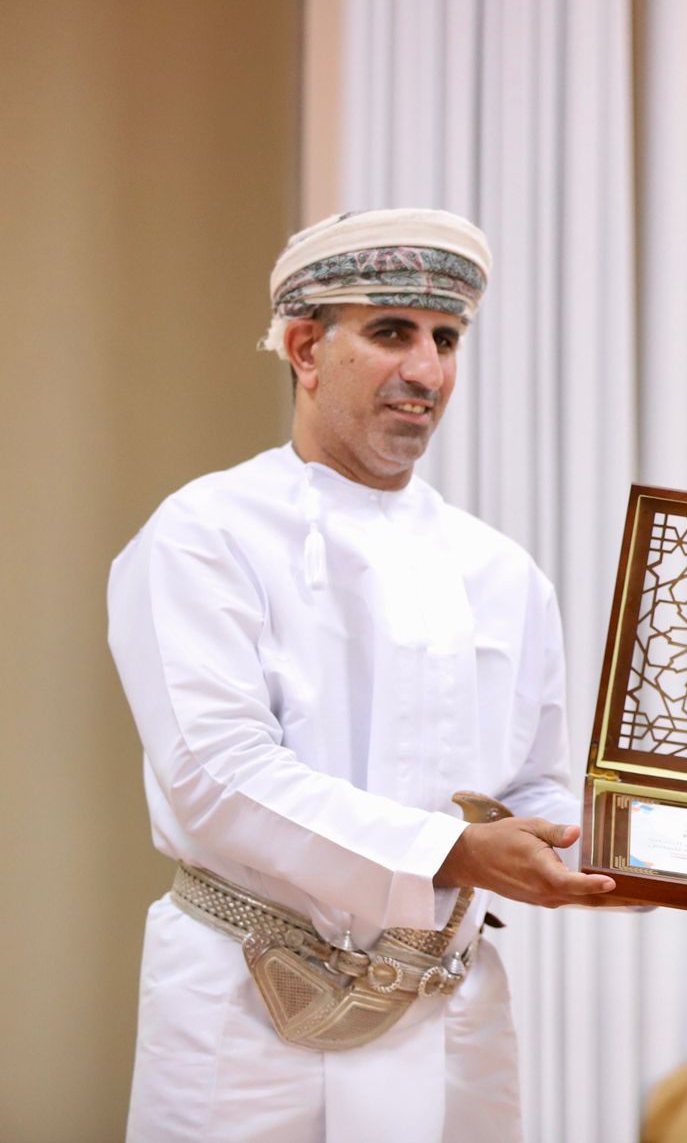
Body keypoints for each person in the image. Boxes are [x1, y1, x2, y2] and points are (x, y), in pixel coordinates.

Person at [108, 209, 617, 1143]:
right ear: (306, 348)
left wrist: (630, 854)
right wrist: (453, 853)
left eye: (446, 339)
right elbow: (216, 775)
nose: (427, 370)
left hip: (451, 1019)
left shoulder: (501, 571)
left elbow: (535, 785)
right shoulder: (205, 533)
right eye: (392, 332)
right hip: (250, 1014)